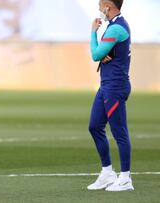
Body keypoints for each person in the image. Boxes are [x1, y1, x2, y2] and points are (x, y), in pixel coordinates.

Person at [87, 0, 134, 191]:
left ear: (108, 6)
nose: (99, 9)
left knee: (119, 132)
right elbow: (103, 53)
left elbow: (96, 55)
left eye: (100, 5)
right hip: (106, 85)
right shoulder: (114, 26)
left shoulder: (117, 28)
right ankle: (107, 173)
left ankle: (125, 178)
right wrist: (104, 52)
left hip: (115, 86)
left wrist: (93, 33)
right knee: (94, 126)